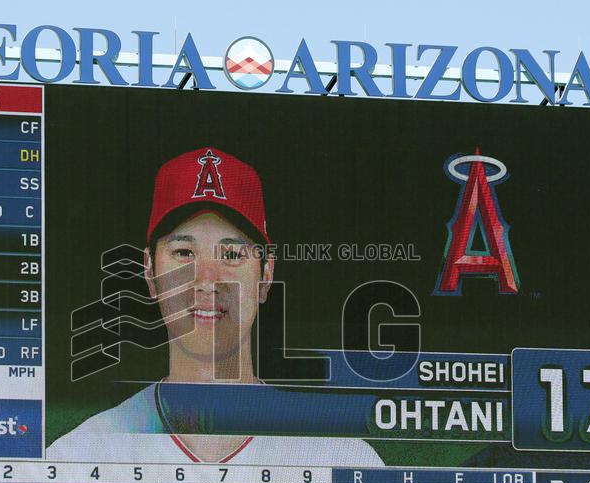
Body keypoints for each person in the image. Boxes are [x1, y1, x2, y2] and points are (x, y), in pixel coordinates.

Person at [47, 147, 384, 466]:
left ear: (266, 275)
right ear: (149, 272)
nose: (207, 280)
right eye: (183, 253)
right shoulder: (80, 457)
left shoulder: (340, 460)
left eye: (232, 255)